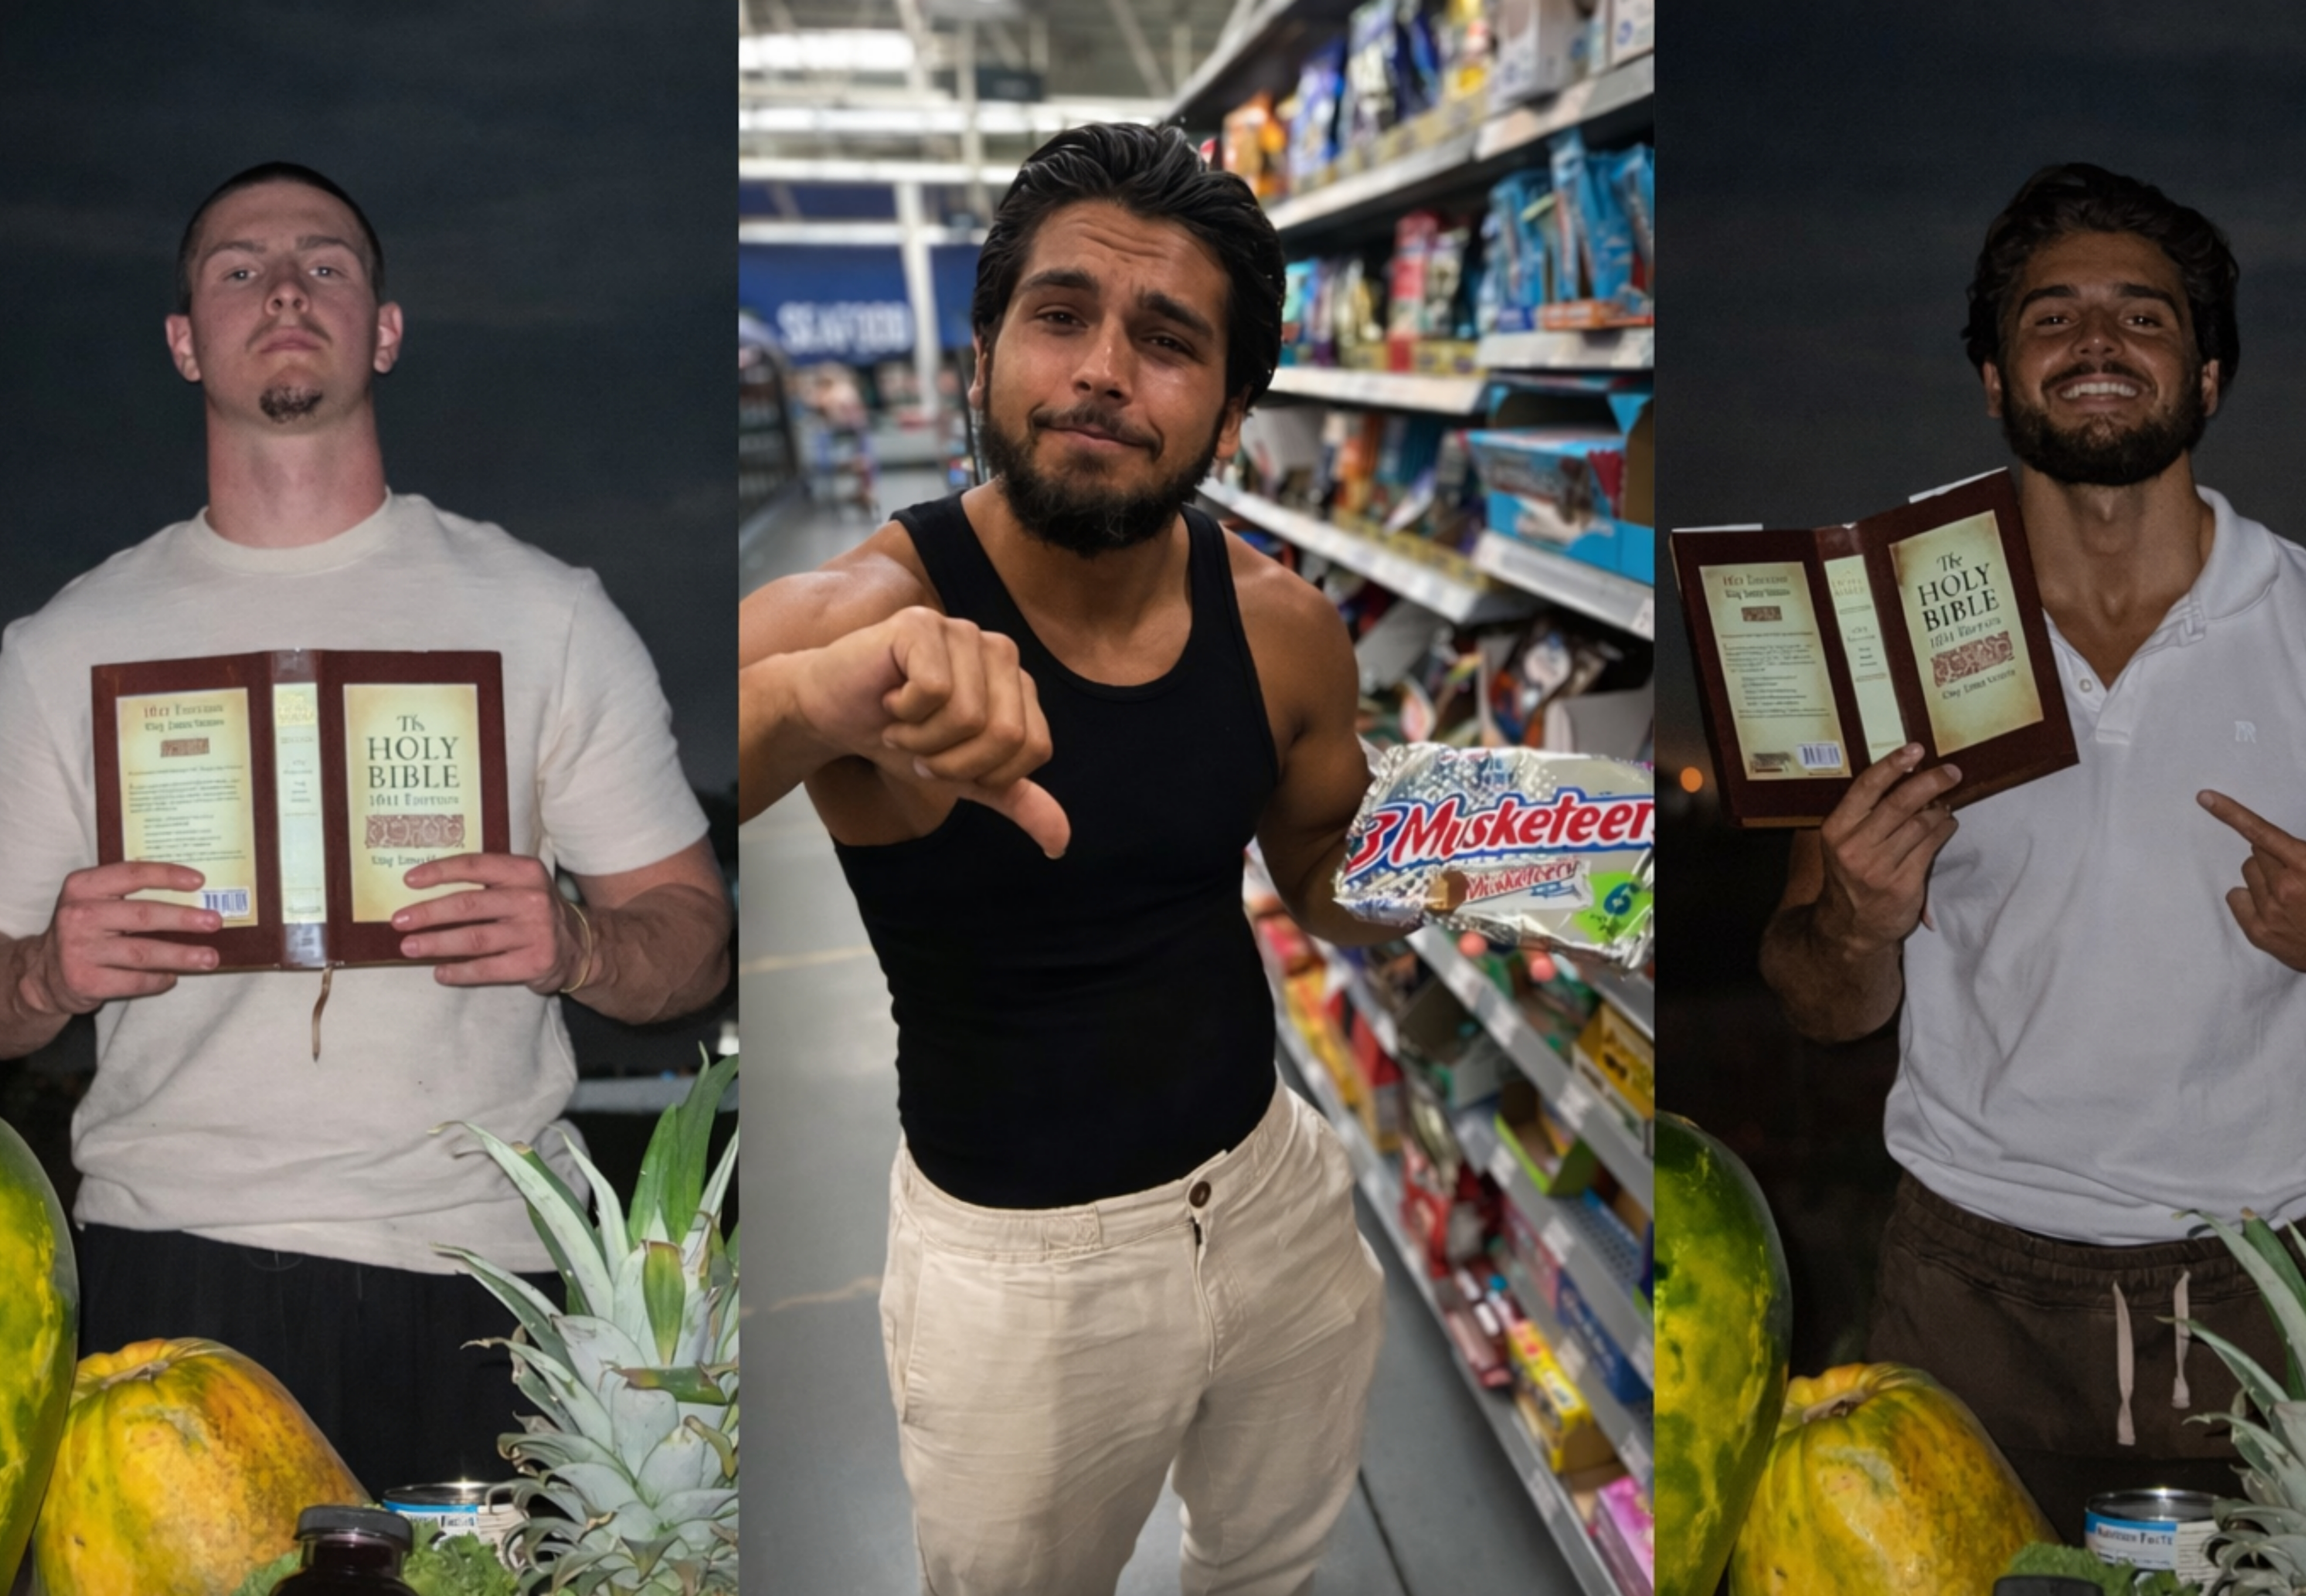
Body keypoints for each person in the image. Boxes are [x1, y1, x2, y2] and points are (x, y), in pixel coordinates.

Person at [0, 163, 729, 1496]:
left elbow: (692, 941)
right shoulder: (62, 652)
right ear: (184, 342)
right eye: (239, 268)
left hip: (480, 1272)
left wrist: (574, 944)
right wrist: (45, 974)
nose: (284, 288)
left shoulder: (546, 615)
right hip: (168, 1267)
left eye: (326, 263)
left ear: (384, 328)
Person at [740, 123, 1393, 1595]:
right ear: (983, 356)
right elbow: (662, 749)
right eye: (1060, 316)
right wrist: (817, 696)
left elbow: (1326, 892)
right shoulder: (878, 607)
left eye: (1167, 340)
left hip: (1274, 1195)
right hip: (1020, 1281)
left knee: (1272, 1566)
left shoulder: (1283, 628)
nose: (1103, 367)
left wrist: (1470, 874)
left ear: (1233, 414)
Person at [1759, 162, 2306, 1530]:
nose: (2098, 344)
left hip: (2278, 1303)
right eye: (2051, 318)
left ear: (2209, 377)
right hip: (1968, 1288)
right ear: (1994, 377)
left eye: (2146, 318)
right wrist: (1858, 923)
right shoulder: (1887, 623)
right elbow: (1817, 1004)